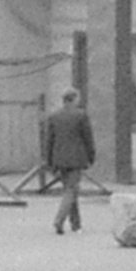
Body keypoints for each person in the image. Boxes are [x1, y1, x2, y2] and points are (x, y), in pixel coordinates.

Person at [41, 87, 97, 233]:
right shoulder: (81, 115)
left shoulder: (54, 116)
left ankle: (76, 224)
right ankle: (59, 221)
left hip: (59, 159)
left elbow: (49, 141)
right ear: (74, 99)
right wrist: (91, 157)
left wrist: (49, 161)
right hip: (76, 159)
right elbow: (88, 138)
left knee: (70, 189)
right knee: (71, 190)